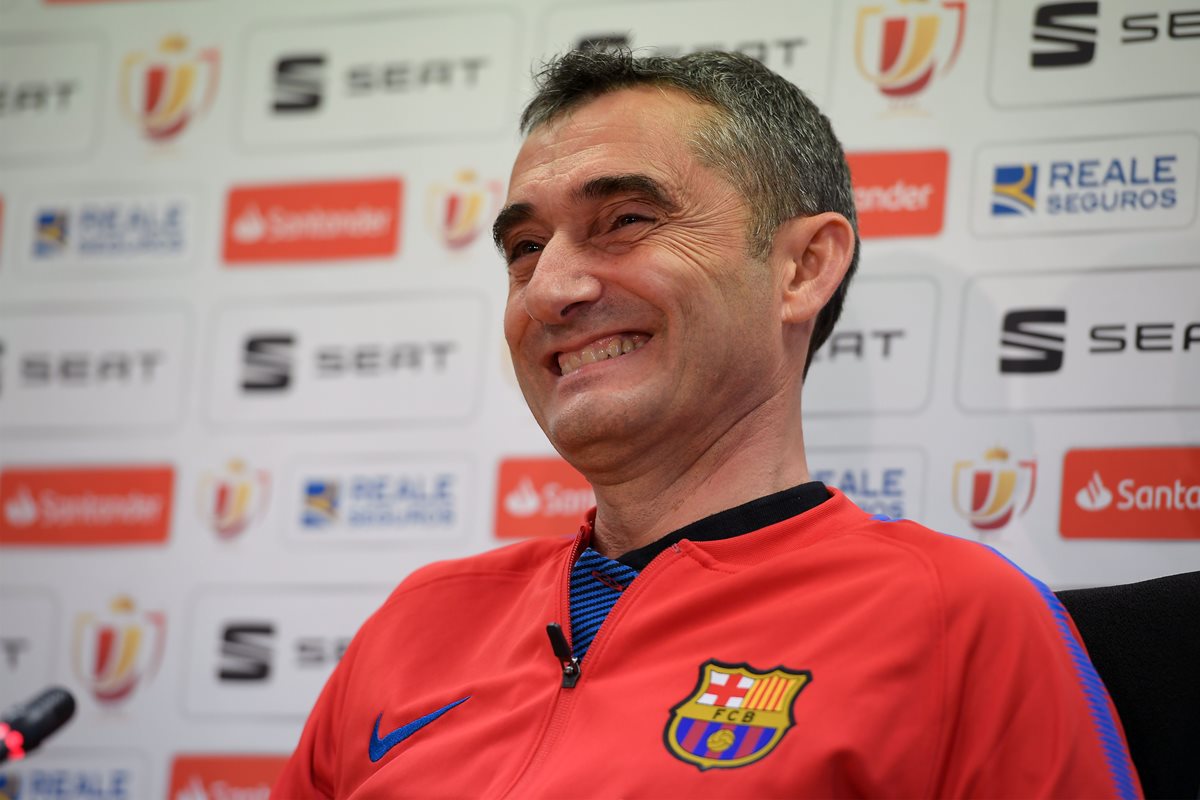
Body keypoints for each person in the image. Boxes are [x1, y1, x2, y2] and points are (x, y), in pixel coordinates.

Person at [273, 49, 1140, 799]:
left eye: (626, 221)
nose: (549, 290)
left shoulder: (958, 618)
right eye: (525, 248)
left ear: (803, 267)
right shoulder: (419, 620)